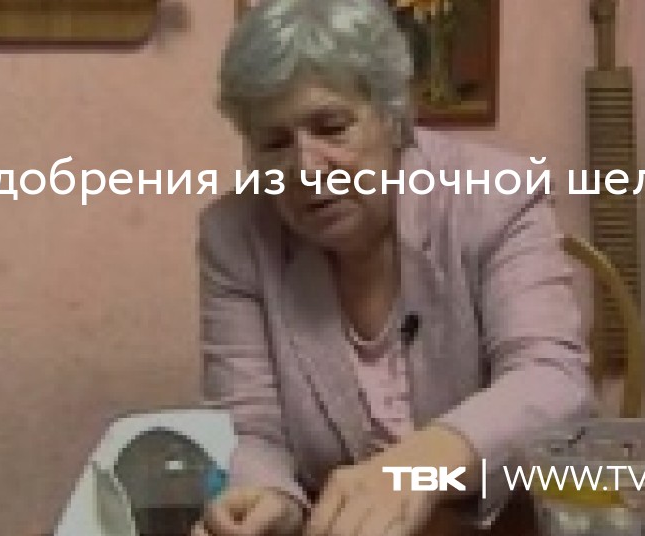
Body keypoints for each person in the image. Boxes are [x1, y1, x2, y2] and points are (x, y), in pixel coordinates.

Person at [193, 1, 592, 535]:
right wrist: (269, 498)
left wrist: (419, 465)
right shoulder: (235, 236)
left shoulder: (497, 198)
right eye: (274, 142)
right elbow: (250, 428)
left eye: (331, 127)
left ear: (393, 116)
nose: (305, 168)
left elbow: (552, 382)